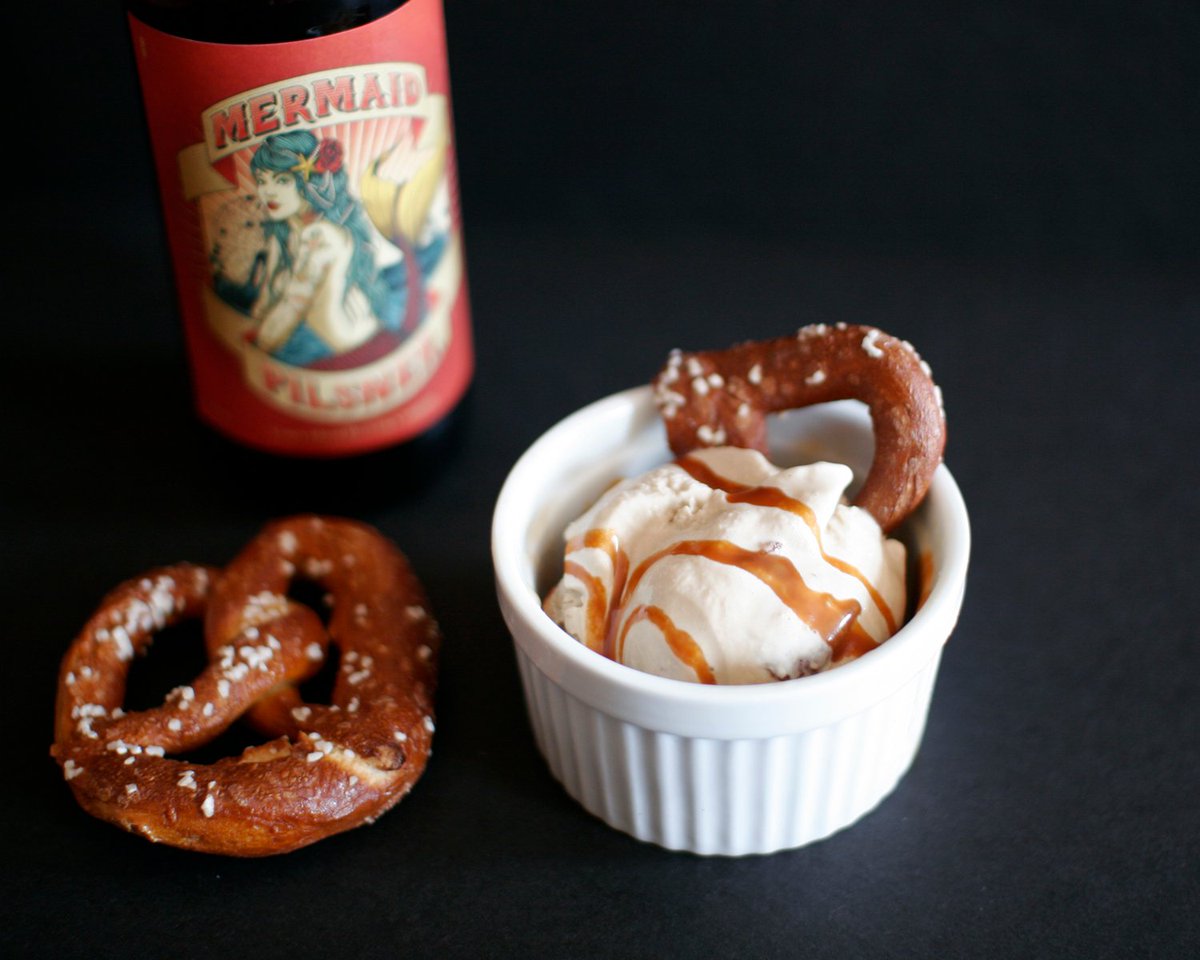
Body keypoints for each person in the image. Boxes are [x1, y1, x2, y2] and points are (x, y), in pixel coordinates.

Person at [245, 130, 393, 367]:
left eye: (282, 180)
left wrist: (256, 347)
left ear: (309, 183)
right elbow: (266, 302)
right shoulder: (285, 233)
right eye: (262, 181)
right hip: (318, 348)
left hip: (349, 352)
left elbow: (293, 305)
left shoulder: (322, 235)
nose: (268, 191)